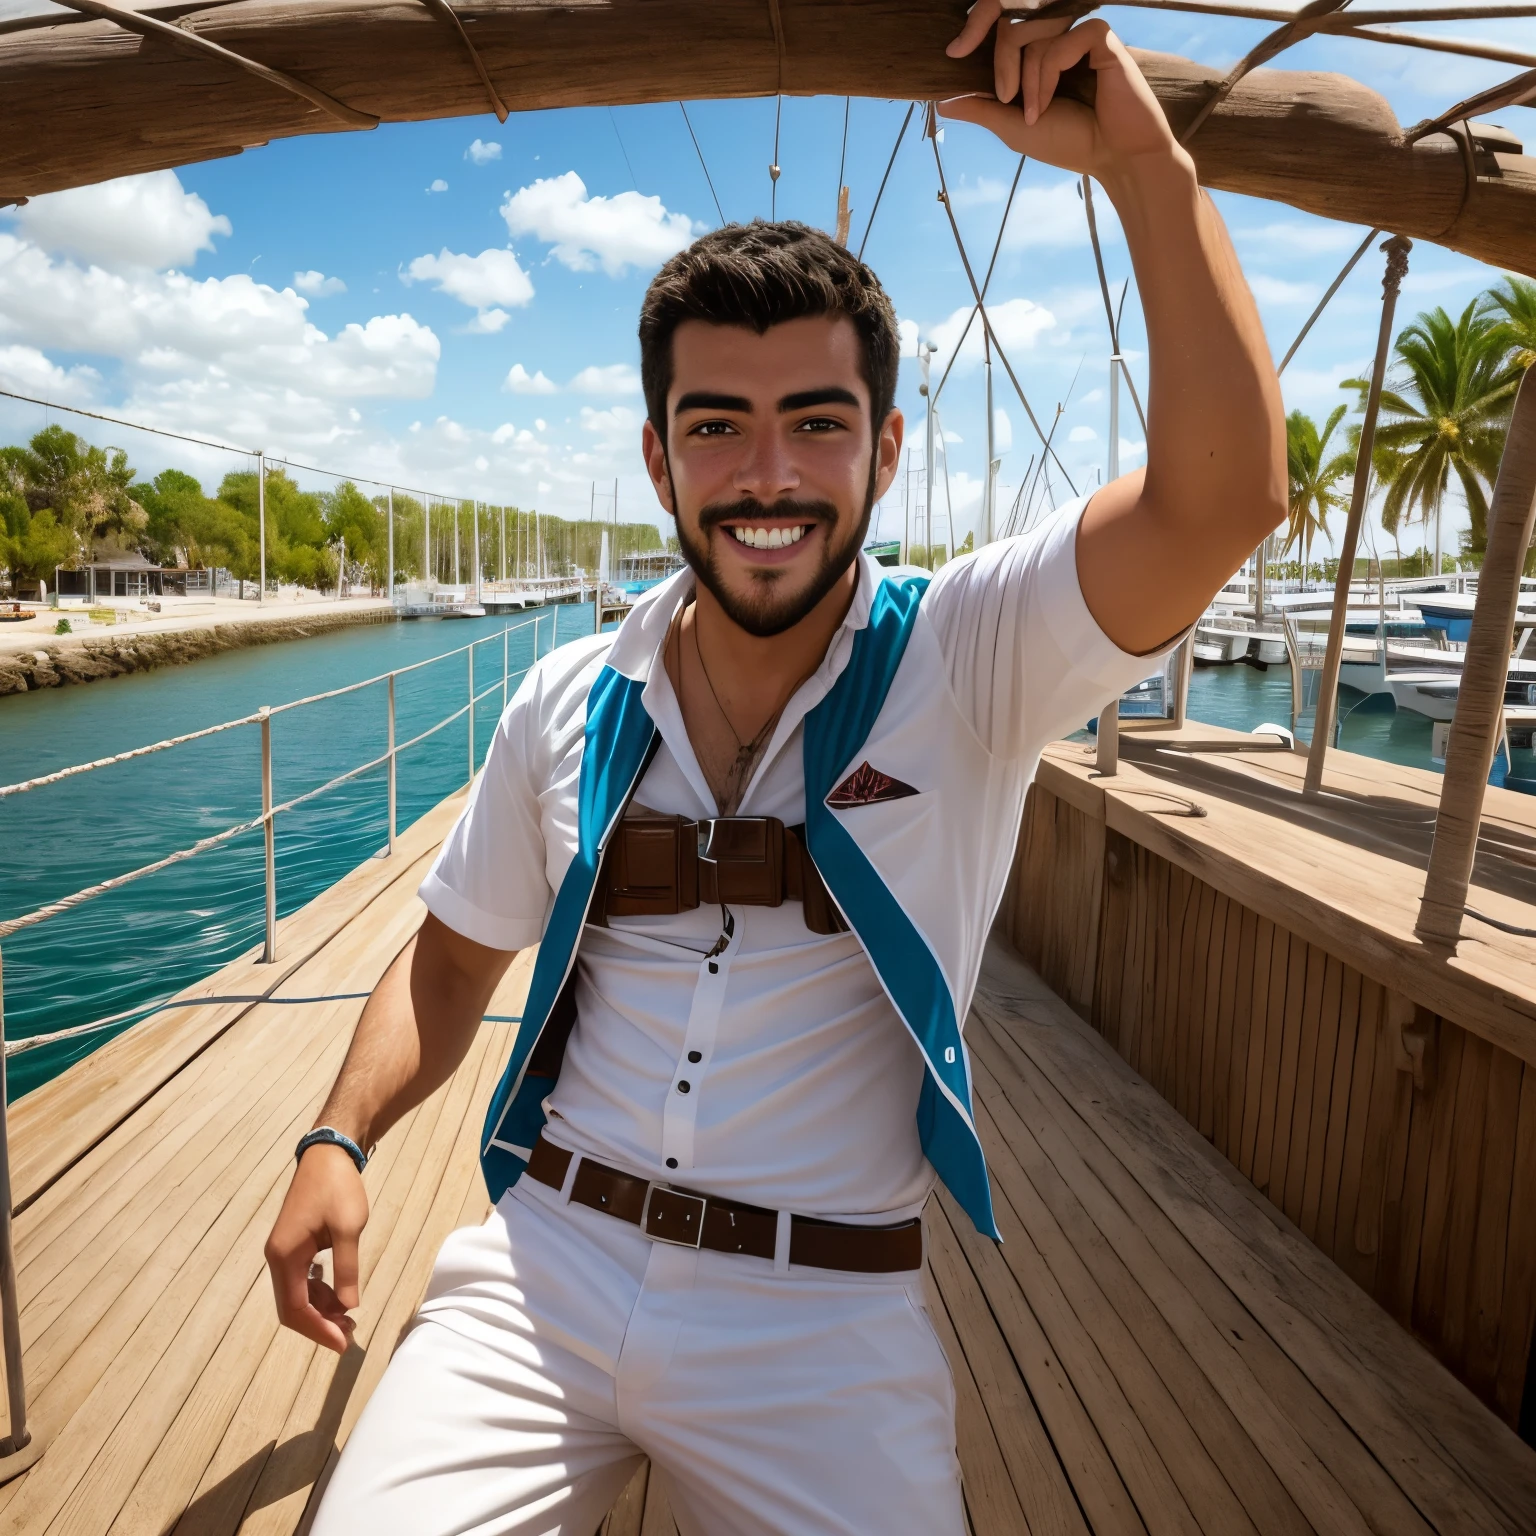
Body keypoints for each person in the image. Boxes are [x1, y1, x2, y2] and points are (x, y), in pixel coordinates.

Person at [266, 8, 1285, 1531]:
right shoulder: (564, 696)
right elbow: (450, 958)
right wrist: (337, 1140)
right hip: (544, 1272)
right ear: (661, 458)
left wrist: (1141, 161)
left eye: (816, 425)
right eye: (717, 428)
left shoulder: (973, 654)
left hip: (824, 1319)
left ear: (884, 452)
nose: (767, 475)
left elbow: (1223, 498)